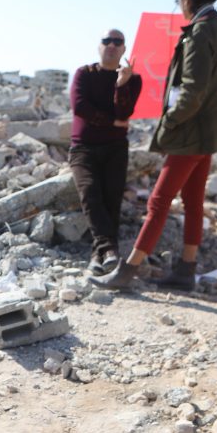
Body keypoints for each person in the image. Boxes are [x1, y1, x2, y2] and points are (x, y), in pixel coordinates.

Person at [89, 0, 217, 291]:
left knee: (158, 201)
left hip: (190, 132)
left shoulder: (199, 33)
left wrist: (169, 123)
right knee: (193, 200)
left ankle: (127, 271)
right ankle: (186, 269)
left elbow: (192, 92)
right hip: (210, 132)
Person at [69, 29, 143, 275]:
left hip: (115, 148)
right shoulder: (84, 74)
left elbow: (125, 113)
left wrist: (121, 85)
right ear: (99, 46)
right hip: (83, 147)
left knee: (112, 199)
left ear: (124, 49)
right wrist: (112, 122)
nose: (111, 45)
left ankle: (99, 254)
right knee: (90, 192)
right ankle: (109, 250)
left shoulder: (133, 79)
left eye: (117, 42)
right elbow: (80, 107)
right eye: (106, 41)